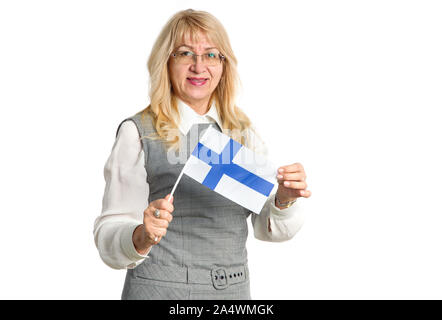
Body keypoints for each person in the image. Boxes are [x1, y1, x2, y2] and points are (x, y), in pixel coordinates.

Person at [93, 8, 311, 300]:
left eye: (211, 54)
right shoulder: (138, 133)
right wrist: (142, 236)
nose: (199, 66)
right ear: (166, 62)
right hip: (159, 292)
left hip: (231, 296)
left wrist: (284, 199)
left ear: (223, 65)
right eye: (184, 53)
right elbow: (109, 232)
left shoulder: (242, 133)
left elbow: (268, 228)